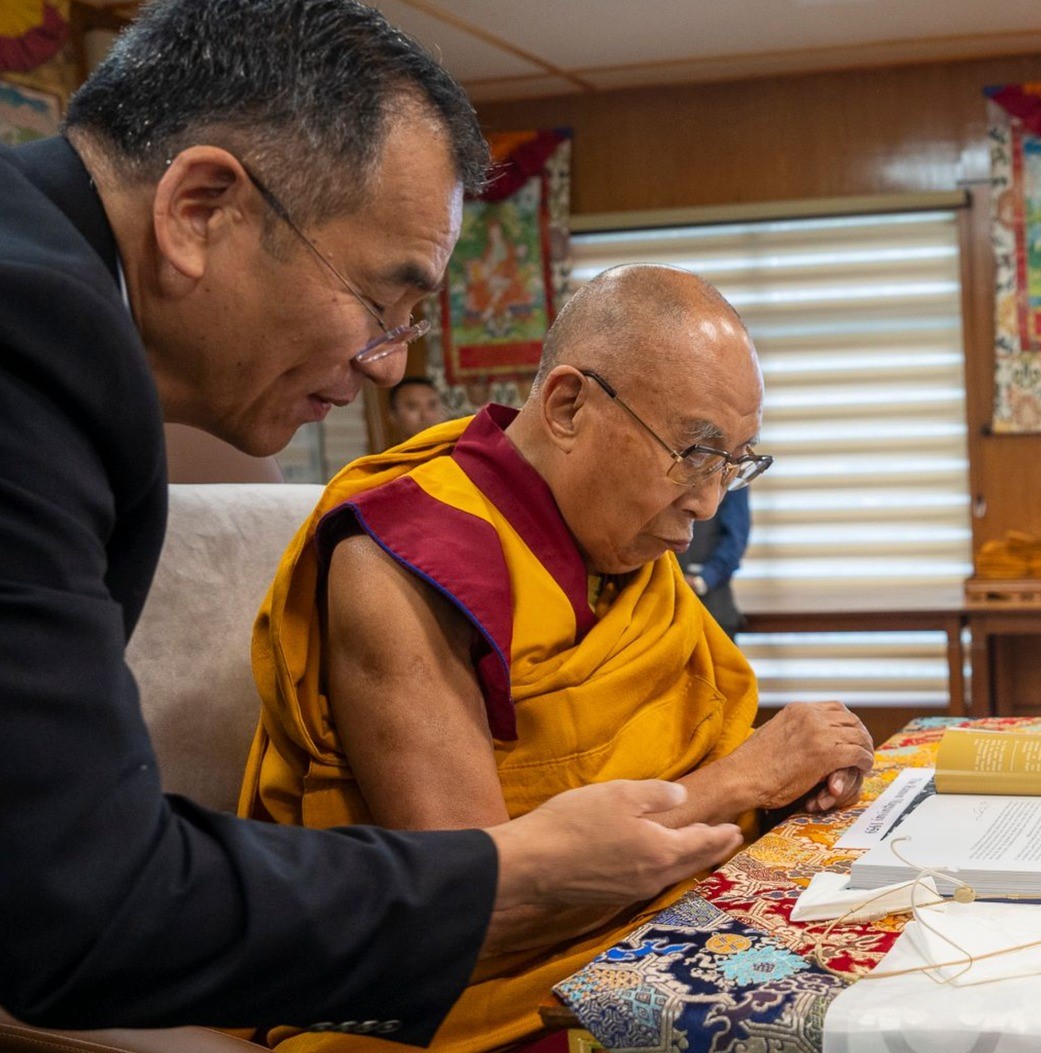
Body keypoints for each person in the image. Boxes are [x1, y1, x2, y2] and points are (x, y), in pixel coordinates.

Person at [0, 1, 738, 1040]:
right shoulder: (31, 334)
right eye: (384, 301)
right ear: (200, 210)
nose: (391, 362)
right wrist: (518, 866)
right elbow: (82, 898)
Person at [241, 265, 874, 1053]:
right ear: (569, 405)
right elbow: (471, 902)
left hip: (655, 923)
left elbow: (687, 744)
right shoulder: (408, 558)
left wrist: (788, 785)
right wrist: (745, 778)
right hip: (478, 1003)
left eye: (735, 461)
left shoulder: (620, 544)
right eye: (693, 451)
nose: (709, 501)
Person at [683, 484, 752, 636]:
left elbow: (735, 541)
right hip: (659, 607)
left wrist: (701, 580)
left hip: (712, 605)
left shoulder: (733, 471)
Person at [389, 375, 449, 443]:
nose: (425, 415)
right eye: (412, 407)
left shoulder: (458, 452)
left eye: (432, 405)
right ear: (393, 416)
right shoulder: (388, 454)